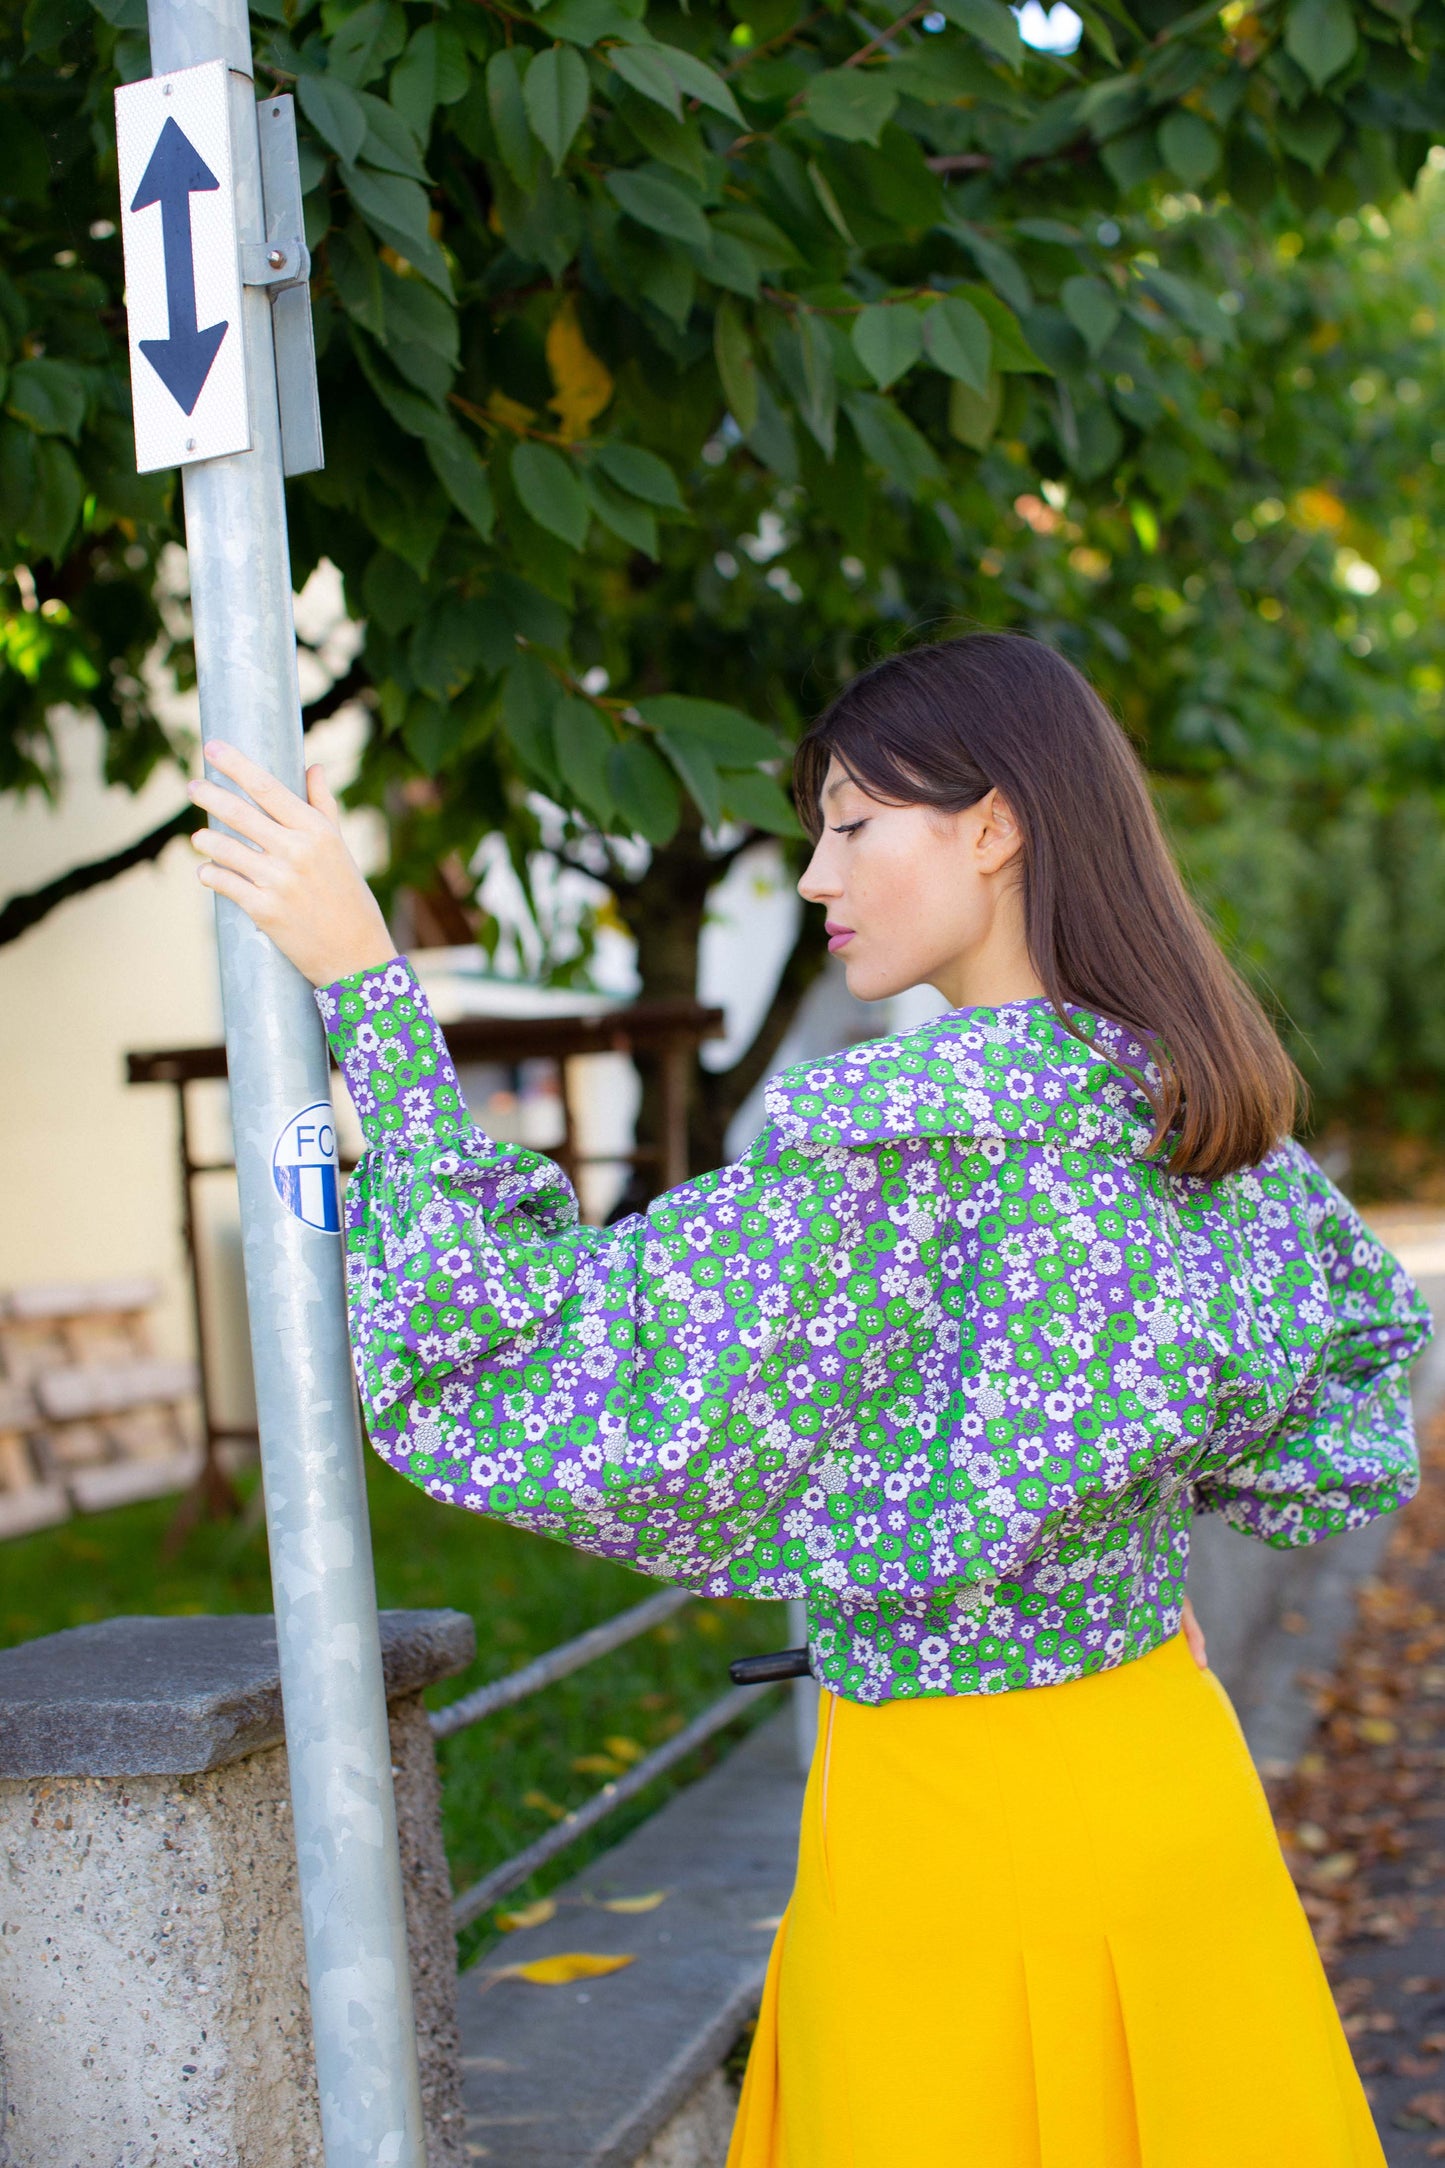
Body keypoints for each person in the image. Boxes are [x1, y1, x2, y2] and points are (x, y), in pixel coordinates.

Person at [189, 631, 1429, 2168]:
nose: (814, 877)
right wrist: (1126, 1527)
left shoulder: (904, 1142)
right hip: (1164, 1769)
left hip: (950, 1821)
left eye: (850, 824)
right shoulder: (1188, 1108)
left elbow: (532, 1361)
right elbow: (1359, 1375)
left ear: (991, 826)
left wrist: (367, 985)